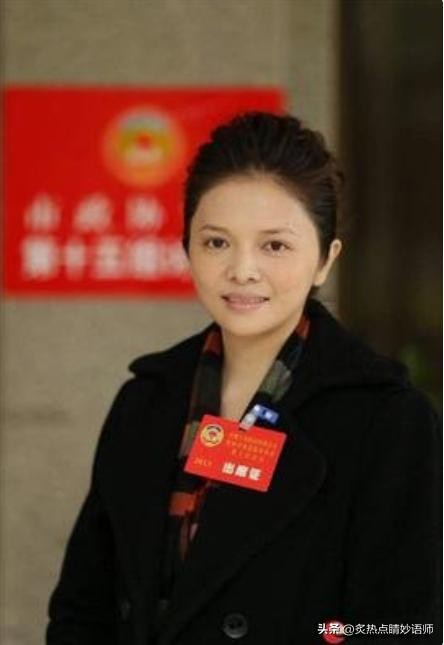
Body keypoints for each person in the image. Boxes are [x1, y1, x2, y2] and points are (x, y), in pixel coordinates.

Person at [46, 112, 441, 645]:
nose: (242, 270)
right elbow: (82, 609)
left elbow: (406, 626)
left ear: (325, 260)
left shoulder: (386, 420)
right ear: (187, 247)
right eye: (216, 243)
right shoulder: (146, 400)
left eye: (274, 245)